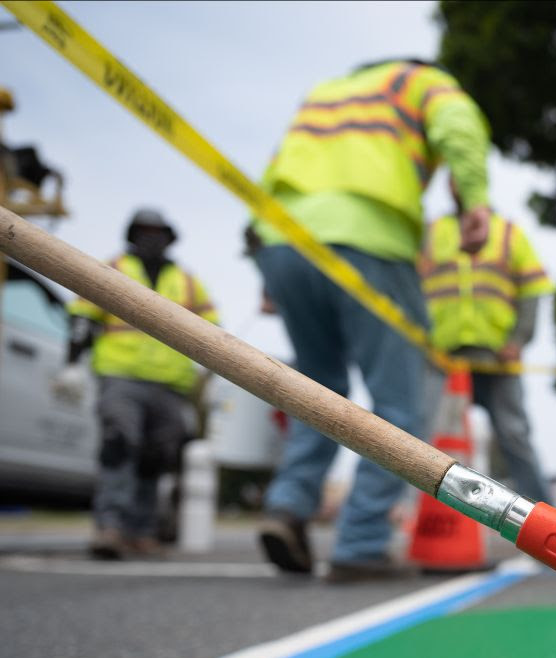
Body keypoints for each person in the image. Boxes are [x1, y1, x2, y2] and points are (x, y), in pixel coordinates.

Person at [252, 58, 492, 583]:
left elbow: (277, 167)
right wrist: (474, 199)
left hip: (284, 241)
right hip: (370, 239)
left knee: (313, 388)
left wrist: (265, 260)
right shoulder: (423, 81)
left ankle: (288, 507)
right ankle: (361, 541)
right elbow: (459, 124)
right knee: (397, 403)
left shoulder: (327, 90)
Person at [56, 208, 219, 559]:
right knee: (119, 445)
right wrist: (71, 363)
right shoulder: (111, 269)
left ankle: (142, 531)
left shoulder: (188, 281)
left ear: (169, 237)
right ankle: (110, 527)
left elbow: (212, 331)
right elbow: (83, 317)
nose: (151, 238)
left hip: (171, 385)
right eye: (144, 231)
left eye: (157, 232)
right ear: (132, 234)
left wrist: (213, 376)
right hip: (121, 376)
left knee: (155, 458)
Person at [419, 188, 555, 502]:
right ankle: (413, 515)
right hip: (442, 357)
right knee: (426, 436)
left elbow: (532, 289)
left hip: (498, 357)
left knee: (515, 435)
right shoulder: (432, 233)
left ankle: (544, 515)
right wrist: (421, 340)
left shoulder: (509, 234)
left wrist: (518, 340)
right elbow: (412, 288)